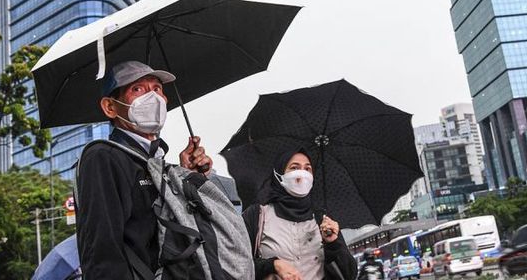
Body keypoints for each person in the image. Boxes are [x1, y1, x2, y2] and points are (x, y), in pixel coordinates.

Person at [76, 61, 214, 279]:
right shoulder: (103, 158)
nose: (153, 98)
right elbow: (102, 249)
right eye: (137, 89)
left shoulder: (159, 162)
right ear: (110, 107)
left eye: (157, 89)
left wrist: (187, 177)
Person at [242, 147, 357, 280]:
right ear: (278, 174)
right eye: (294, 168)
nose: (302, 173)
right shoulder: (258, 215)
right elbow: (238, 263)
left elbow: (350, 275)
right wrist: (273, 265)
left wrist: (333, 243)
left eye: (307, 169)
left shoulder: (322, 219)